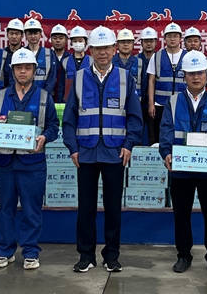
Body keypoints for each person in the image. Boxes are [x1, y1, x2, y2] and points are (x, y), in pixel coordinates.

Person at [62, 26, 142, 273]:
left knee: (113, 208)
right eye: (97, 48)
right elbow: (69, 118)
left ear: (114, 49)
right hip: (85, 153)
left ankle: (111, 255)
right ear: (91, 51)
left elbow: (135, 117)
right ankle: (86, 255)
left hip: (114, 152)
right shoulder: (79, 77)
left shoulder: (125, 77)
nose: (102, 53)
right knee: (85, 208)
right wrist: (72, 148)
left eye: (106, 48)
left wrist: (129, 144)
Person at [159, 50, 207, 275]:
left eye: (200, 72)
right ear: (184, 76)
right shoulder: (173, 102)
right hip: (181, 169)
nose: (196, 77)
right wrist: (166, 153)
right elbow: (166, 131)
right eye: (191, 73)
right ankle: (183, 255)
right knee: (181, 215)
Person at [0, 49, 59, 271]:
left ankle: (30, 252)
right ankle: (5, 251)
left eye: (27, 68)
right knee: (5, 209)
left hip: (32, 163)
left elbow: (53, 126)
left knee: (32, 210)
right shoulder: (0, 96)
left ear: (34, 70)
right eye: (19, 68)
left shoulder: (44, 97)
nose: (23, 71)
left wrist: (44, 137)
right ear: (12, 71)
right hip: (5, 162)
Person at [147, 23, 187, 145]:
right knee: (160, 136)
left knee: (181, 135)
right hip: (160, 104)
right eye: (169, 36)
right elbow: (151, 80)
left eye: (175, 36)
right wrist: (151, 104)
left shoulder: (187, 56)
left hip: (182, 104)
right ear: (164, 38)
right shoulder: (156, 56)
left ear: (180, 38)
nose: (172, 39)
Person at [15, 19, 58, 94]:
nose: (33, 36)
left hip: (43, 95)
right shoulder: (19, 53)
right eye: (30, 33)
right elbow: (15, 77)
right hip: (23, 95)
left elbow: (52, 79)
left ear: (40, 34)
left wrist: (44, 95)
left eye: (35, 33)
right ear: (25, 35)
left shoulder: (49, 54)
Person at [61, 26, 93, 101]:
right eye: (75, 41)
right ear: (71, 43)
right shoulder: (65, 61)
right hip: (69, 100)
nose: (77, 43)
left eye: (80, 41)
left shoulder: (92, 61)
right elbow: (61, 85)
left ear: (86, 42)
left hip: (87, 99)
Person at [138, 27, 158, 144]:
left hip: (154, 104)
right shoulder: (136, 60)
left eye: (151, 41)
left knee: (153, 134)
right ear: (141, 43)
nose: (149, 44)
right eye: (146, 41)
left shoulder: (159, 59)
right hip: (138, 104)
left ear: (156, 42)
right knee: (137, 133)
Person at [50, 24, 70, 102]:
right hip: (49, 98)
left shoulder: (70, 58)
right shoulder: (47, 57)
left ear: (66, 40)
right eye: (55, 38)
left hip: (66, 99)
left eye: (61, 38)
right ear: (51, 40)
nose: (58, 40)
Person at [3, 18, 25, 89]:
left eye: (17, 34)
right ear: (7, 35)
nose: (14, 36)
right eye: (11, 33)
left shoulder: (26, 54)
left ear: (22, 36)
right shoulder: (2, 53)